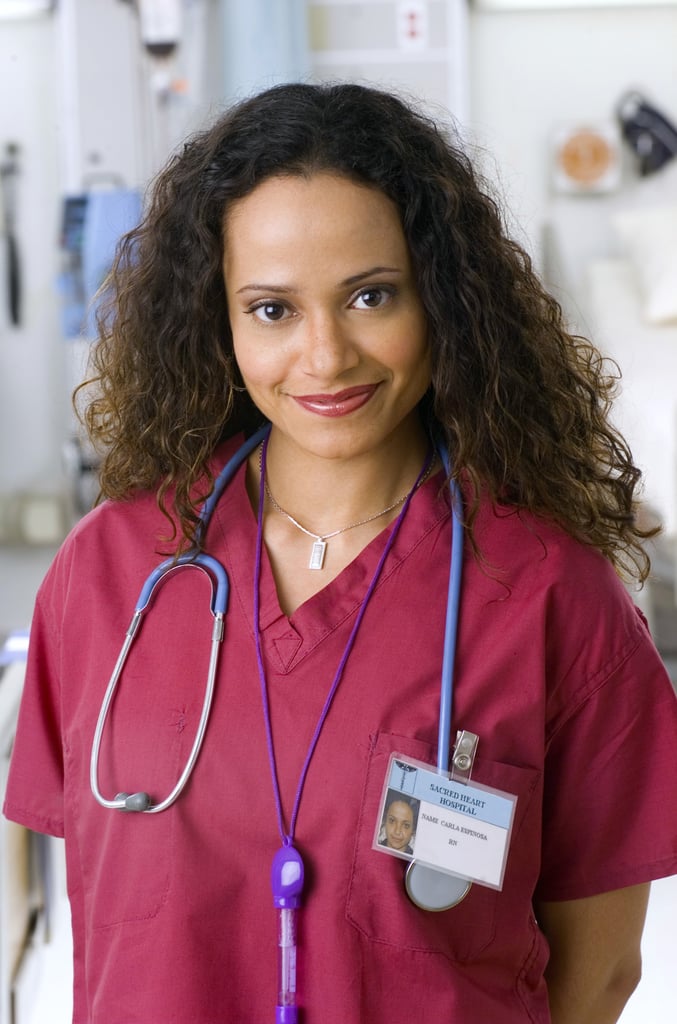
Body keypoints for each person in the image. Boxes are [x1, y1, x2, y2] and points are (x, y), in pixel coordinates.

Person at [3, 81, 677, 1024]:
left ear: (440, 298)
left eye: (370, 296)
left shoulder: (547, 596)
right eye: (272, 310)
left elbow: (598, 974)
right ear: (219, 322)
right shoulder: (112, 574)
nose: (324, 357)